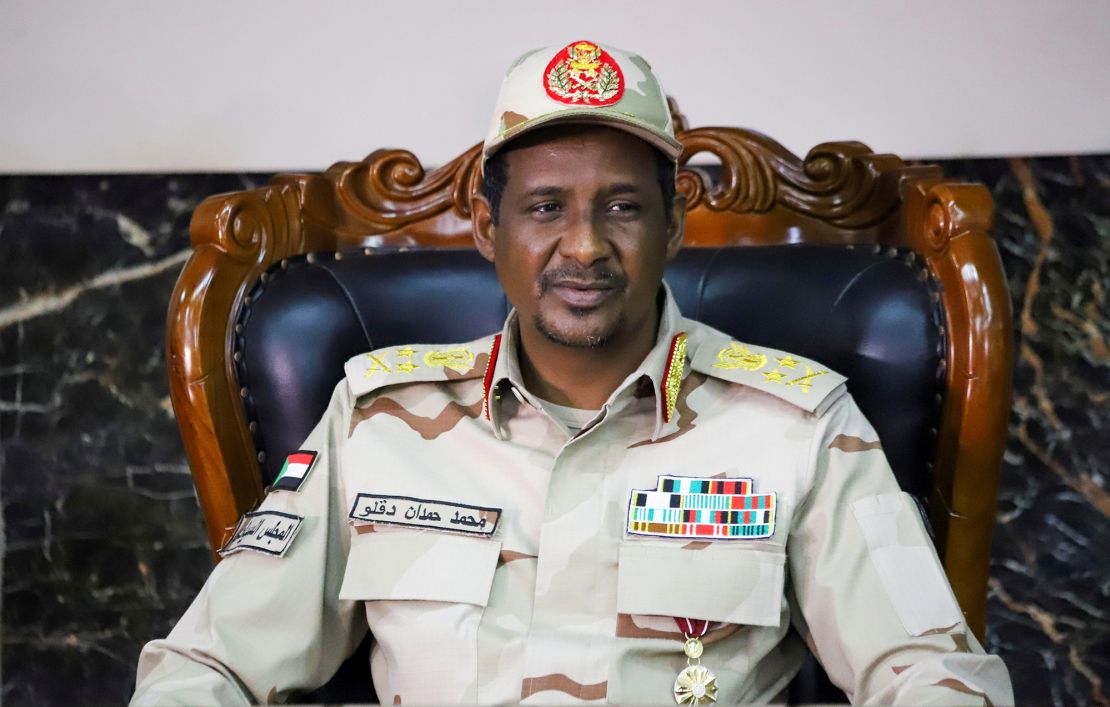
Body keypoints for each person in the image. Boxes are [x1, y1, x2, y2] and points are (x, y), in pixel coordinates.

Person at [131, 40, 1013, 705]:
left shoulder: (798, 422)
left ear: (673, 227)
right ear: (487, 230)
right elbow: (209, 662)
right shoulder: (376, 418)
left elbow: (927, 670)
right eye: (546, 208)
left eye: (623, 207)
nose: (585, 246)